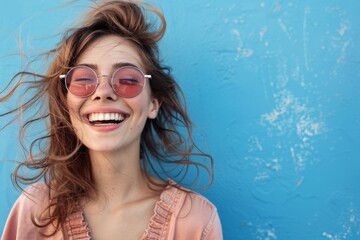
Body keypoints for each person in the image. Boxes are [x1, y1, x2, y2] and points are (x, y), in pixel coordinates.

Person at [0, 0, 222, 239]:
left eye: (127, 79)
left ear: (153, 104)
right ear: (67, 103)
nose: (102, 91)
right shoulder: (36, 212)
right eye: (84, 79)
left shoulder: (195, 220)